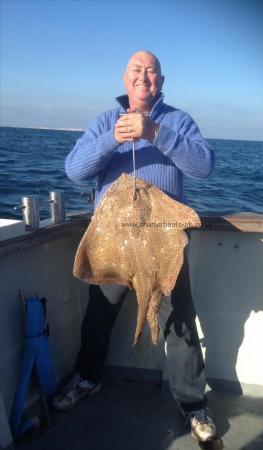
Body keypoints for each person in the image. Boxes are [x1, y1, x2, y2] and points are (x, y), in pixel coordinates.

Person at [53, 50, 216, 442]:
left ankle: (193, 403)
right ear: (125, 79)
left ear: (162, 80)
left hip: (163, 239)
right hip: (113, 237)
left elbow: (204, 166)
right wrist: (112, 139)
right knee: (99, 314)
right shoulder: (104, 121)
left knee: (178, 322)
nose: (144, 77)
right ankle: (88, 378)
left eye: (152, 71)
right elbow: (75, 170)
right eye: (137, 70)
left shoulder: (178, 120)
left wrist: (156, 133)